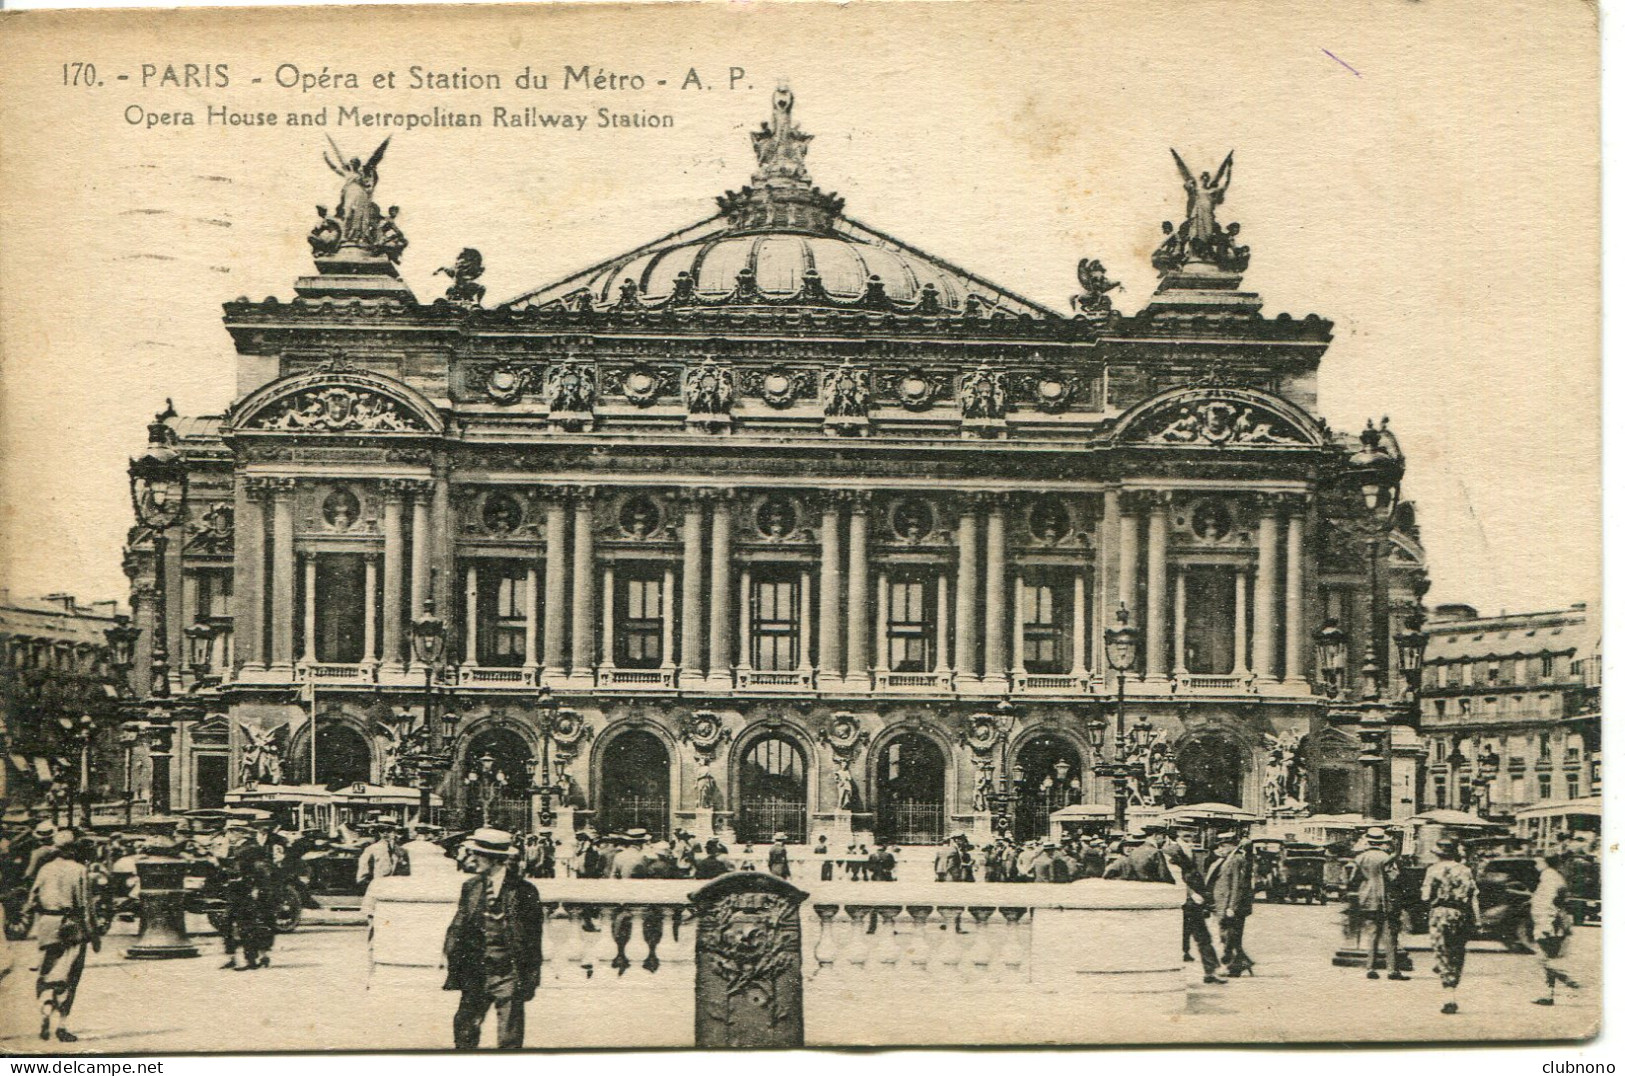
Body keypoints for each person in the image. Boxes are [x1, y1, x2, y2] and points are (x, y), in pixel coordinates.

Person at [443, 828, 544, 1050]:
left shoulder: (524, 891)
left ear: (493, 858)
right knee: (464, 1029)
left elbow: (533, 940)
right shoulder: (470, 887)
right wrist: (450, 954)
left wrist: (530, 977)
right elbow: (458, 925)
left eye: (475, 855)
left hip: (508, 972)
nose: (470, 860)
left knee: (509, 1037)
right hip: (476, 971)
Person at [26, 829, 99, 1042]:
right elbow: (86, 906)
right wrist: (93, 934)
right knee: (70, 975)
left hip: (48, 925)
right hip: (72, 925)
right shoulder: (79, 869)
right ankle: (61, 1024)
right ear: (73, 848)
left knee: (47, 970)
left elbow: (32, 900)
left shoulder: (45, 869)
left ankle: (46, 1005)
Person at [1421, 837, 1480, 1014]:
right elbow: (1473, 897)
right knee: (1457, 953)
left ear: (1438, 854)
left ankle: (1449, 997)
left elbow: (1425, 897)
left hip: (1440, 914)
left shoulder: (1433, 870)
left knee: (1442, 953)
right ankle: (1453, 988)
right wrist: (1478, 921)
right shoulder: (1465, 870)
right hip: (1460, 915)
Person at [1166, 830, 1225, 985]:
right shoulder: (1171, 852)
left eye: (1191, 836)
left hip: (1193, 904)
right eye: (1186, 836)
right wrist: (1191, 893)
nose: (1190, 839)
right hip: (1184, 902)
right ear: (1177, 836)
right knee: (1185, 939)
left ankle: (1211, 972)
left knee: (1203, 937)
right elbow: (1176, 878)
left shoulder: (1188, 851)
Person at [1348, 827, 1407, 980]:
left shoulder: (1360, 858)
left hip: (1367, 898)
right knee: (1390, 934)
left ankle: (1371, 967)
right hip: (1386, 899)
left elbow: (1352, 878)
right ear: (1382, 842)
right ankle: (1392, 970)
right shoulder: (1387, 858)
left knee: (1372, 933)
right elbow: (1394, 877)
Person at [1529, 850, 1580, 1004]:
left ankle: (1564, 976)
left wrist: (1547, 922)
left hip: (1549, 922)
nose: (1536, 864)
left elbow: (1549, 902)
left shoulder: (1549, 877)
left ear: (1545, 862)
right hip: (1550, 921)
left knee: (1544, 957)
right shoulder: (1553, 876)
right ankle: (1548, 994)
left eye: (1538, 861)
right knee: (1547, 957)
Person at [1208, 835, 1255, 976]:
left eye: (1223, 846)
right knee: (1229, 936)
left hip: (1230, 906)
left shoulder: (1236, 860)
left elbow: (1237, 885)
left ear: (1231, 845)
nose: (1220, 849)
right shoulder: (1228, 859)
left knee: (1229, 936)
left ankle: (1235, 966)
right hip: (1223, 904)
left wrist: (1231, 907)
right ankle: (1241, 963)